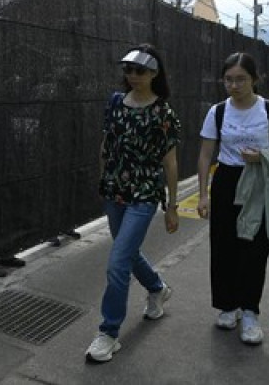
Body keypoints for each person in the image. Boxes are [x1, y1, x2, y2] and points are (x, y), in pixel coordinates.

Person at [85, 44, 181, 363]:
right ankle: (156, 287)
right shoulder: (115, 102)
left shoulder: (162, 112)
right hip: (115, 189)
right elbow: (105, 144)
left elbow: (170, 163)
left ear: (155, 73)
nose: (132, 75)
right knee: (126, 253)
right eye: (128, 69)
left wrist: (172, 206)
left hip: (143, 193)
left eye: (139, 70)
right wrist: (104, 181)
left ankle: (108, 333)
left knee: (117, 263)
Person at [196, 52, 269, 345]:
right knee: (224, 246)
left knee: (254, 249)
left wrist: (262, 156)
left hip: (259, 183)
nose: (234, 85)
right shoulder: (218, 111)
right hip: (226, 181)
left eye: (241, 79)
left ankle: (250, 312)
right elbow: (205, 154)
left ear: (254, 80)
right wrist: (202, 195)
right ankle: (228, 306)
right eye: (228, 79)